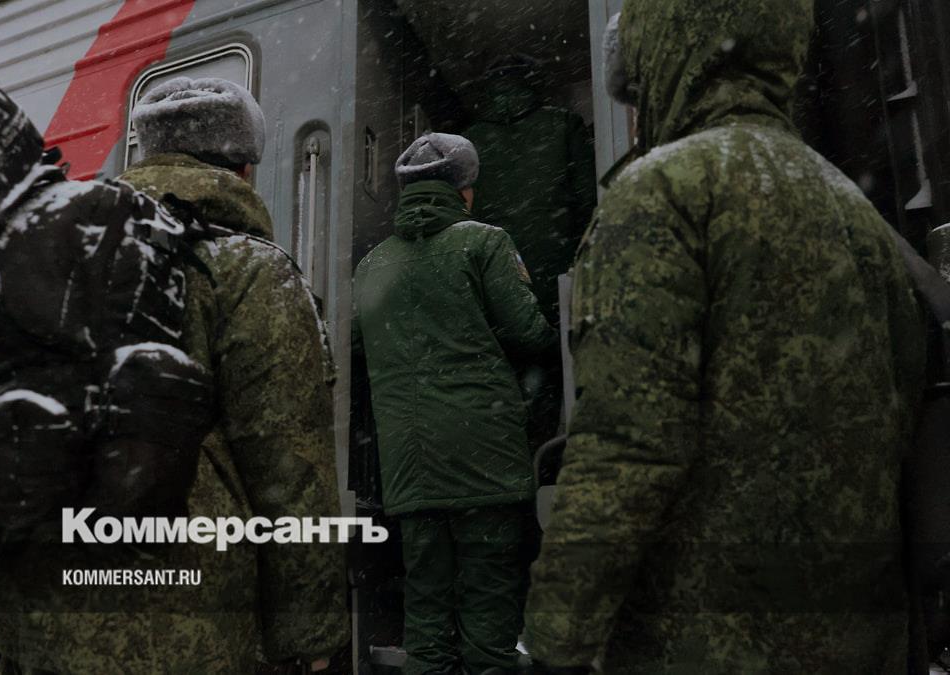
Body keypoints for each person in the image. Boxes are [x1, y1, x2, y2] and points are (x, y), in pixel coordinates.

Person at [524, 2, 926, 673]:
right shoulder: (856, 211)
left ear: (665, 58)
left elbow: (626, 446)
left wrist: (555, 640)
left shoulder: (662, 192)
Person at [0, 77, 348, 673]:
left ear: (144, 157)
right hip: (172, 620)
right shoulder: (250, 270)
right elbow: (289, 467)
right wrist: (309, 632)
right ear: (243, 170)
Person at [353, 132, 554, 675]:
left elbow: (358, 349)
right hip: (483, 453)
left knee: (426, 603)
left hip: (409, 461)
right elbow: (530, 332)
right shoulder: (484, 242)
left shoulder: (373, 264)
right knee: (488, 597)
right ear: (464, 190)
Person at [463, 55, 597, 450]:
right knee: (553, 379)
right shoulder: (563, 126)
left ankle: (512, 456)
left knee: (501, 388)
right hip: (556, 280)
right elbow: (589, 204)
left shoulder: (471, 143)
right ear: (532, 83)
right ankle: (545, 457)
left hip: (495, 286)